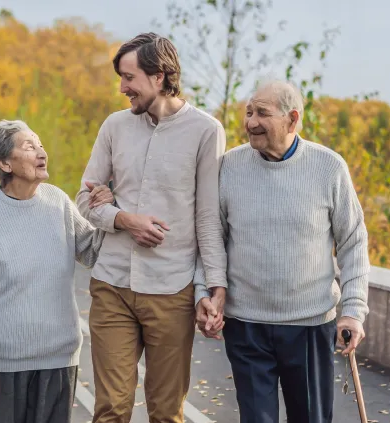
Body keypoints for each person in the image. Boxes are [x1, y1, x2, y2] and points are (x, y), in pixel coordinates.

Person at [75, 32, 228, 423]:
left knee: (165, 413)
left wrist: (216, 287)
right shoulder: (114, 127)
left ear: (159, 76)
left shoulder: (205, 132)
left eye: (129, 78)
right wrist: (124, 219)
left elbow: (208, 219)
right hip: (112, 285)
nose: (122, 88)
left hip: (172, 290)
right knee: (110, 409)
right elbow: (83, 200)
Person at [215, 79, 371, 422]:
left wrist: (353, 310)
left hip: (310, 324)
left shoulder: (329, 167)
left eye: (262, 114)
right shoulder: (228, 167)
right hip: (246, 325)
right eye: (249, 112)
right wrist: (208, 291)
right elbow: (212, 238)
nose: (251, 122)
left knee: (311, 417)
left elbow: (353, 242)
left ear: (292, 119)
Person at [0, 119, 104, 423]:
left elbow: (92, 251)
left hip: (59, 359)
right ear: (4, 163)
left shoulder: (58, 202)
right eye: (29, 146)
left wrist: (104, 212)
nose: (41, 152)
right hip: (1, 365)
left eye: (40, 145)